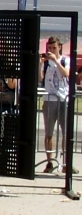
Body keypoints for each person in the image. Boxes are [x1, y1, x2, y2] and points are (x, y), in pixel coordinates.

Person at [42, 38, 71, 173]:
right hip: (50, 99)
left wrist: (56, 60)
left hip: (64, 98)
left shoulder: (65, 60)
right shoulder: (46, 63)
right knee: (49, 133)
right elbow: (39, 78)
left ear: (59, 47)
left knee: (66, 132)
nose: (51, 51)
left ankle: (66, 163)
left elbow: (66, 73)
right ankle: (49, 162)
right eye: (50, 48)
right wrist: (40, 63)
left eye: (54, 48)